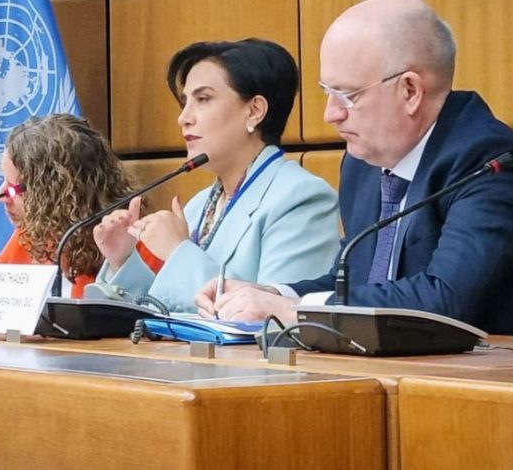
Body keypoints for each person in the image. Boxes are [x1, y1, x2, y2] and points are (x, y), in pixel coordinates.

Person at [195, 0, 513, 340]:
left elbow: (444, 302)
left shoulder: (489, 163)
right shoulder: (363, 166)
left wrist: (292, 310)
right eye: (326, 92)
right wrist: (270, 294)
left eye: (347, 95)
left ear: (410, 90)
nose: (330, 114)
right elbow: (354, 285)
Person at [93, 39, 341, 313]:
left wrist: (177, 252)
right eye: (184, 102)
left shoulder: (301, 198)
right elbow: (165, 311)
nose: (183, 118)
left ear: (254, 111)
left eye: (203, 99)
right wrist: (123, 259)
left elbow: (277, 321)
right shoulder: (199, 205)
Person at [0, 114, 136, 298]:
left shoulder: (128, 239)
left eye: (13, 188)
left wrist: (120, 262)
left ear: (55, 192)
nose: (0, 196)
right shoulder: (35, 235)